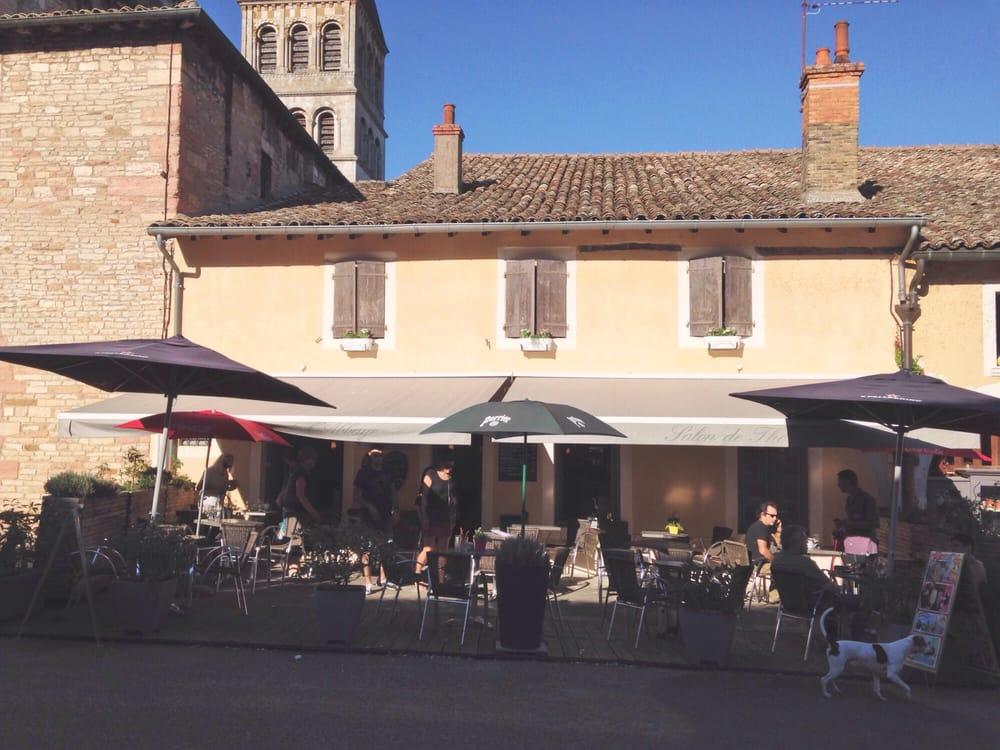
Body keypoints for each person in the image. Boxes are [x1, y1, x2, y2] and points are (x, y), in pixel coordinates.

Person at [773, 524, 868, 639]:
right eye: (804, 540)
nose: (806, 543)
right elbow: (828, 586)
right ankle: (854, 642)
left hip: (789, 603)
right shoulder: (805, 563)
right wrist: (844, 590)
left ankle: (833, 638)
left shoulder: (776, 560)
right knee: (862, 602)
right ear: (796, 543)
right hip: (815, 603)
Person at [353, 446, 396, 593]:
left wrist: (396, 509)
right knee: (368, 549)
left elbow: (393, 493)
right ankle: (368, 582)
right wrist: (369, 507)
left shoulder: (387, 473)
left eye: (380, 455)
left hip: (385, 515)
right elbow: (356, 496)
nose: (378, 458)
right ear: (369, 456)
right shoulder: (363, 473)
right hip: (368, 516)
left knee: (385, 547)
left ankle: (383, 578)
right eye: (375, 455)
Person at [416, 460, 456, 570]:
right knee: (428, 548)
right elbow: (423, 497)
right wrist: (424, 516)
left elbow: (452, 500)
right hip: (431, 516)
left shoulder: (451, 479)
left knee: (443, 550)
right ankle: (417, 575)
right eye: (447, 465)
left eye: (451, 466)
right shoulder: (431, 474)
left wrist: (453, 518)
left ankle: (440, 578)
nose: (450, 468)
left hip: (445, 517)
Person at [745, 501, 781, 603]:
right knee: (785, 568)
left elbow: (778, 543)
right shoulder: (761, 528)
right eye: (772, 516)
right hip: (758, 565)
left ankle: (774, 595)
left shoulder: (760, 527)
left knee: (781, 566)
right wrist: (776, 561)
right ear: (763, 514)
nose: (775, 519)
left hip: (752, 564)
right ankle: (774, 597)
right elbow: (763, 550)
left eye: (776, 516)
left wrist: (778, 529)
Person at [835, 469, 879, 540]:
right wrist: (843, 523)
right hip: (852, 542)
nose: (838, 484)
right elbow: (854, 519)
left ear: (847, 482)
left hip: (865, 543)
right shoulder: (849, 499)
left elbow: (874, 524)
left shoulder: (867, 499)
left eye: (840, 481)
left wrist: (850, 523)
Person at [196, 453, 239, 519]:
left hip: (213, 501)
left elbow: (199, 487)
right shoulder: (214, 472)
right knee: (213, 522)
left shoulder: (218, 472)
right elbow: (200, 486)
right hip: (210, 501)